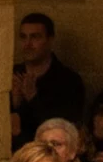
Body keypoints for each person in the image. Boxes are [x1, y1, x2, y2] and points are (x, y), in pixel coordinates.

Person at [10, 13, 85, 149]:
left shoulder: (68, 80)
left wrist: (33, 98)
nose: (28, 44)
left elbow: (66, 128)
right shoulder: (13, 74)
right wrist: (15, 103)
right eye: (23, 37)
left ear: (50, 40)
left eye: (35, 37)